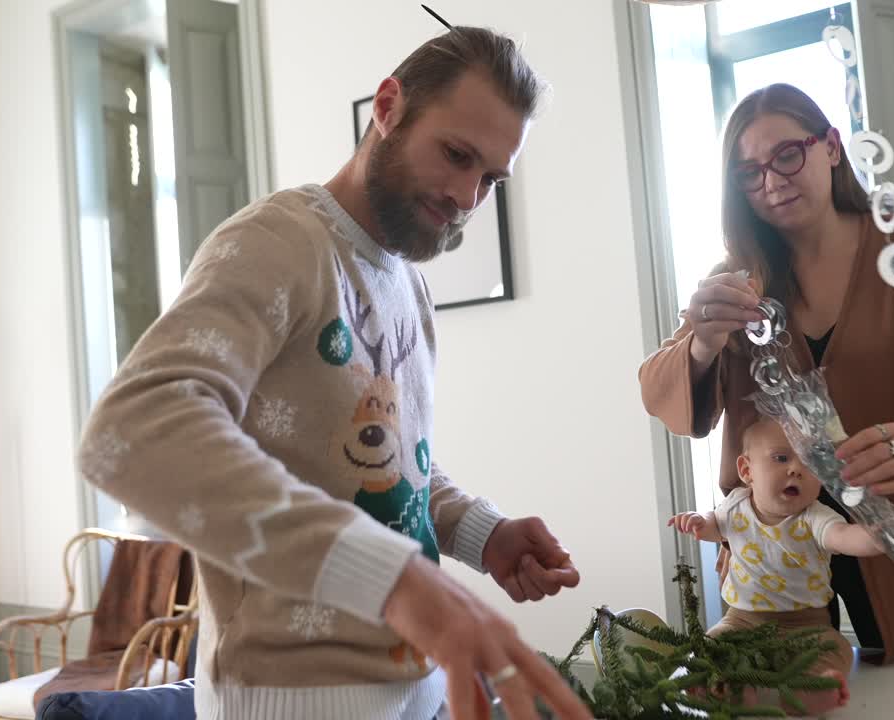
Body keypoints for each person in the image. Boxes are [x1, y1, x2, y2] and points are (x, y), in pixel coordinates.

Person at [78, 26, 591, 720]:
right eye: (457, 155)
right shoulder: (277, 242)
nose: (468, 197)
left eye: (490, 179)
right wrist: (400, 582)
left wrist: (481, 533)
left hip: (420, 691)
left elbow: (381, 462)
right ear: (388, 107)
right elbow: (132, 432)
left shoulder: (410, 287)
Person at [639, 83, 894, 663]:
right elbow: (657, 389)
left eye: (787, 155)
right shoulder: (736, 280)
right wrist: (703, 342)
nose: (771, 181)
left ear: (831, 147)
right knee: (781, 682)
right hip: (773, 556)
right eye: (749, 172)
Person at [670, 417, 894, 715]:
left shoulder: (815, 517)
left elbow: (845, 537)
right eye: (781, 458)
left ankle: (810, 691)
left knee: (836, 649)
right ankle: (730, 689)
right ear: (746, 470)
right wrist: (698, 521)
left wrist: (881, 536)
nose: (796, 469)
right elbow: (714, 525)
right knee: (712, 645)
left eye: (809, 462)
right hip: (741, 621)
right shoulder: (735, 506)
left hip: (806, 626)